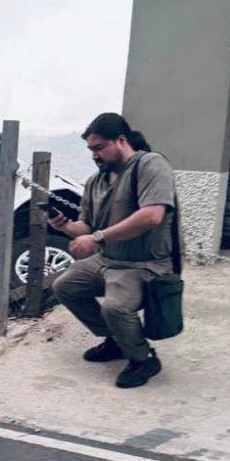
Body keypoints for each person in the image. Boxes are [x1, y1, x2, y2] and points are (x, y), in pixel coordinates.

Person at [49, 113, 178, 388]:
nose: (94, 155)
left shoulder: (150, 164)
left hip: (145, 264)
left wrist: (97, 237)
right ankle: (117, 340)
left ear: (121, 140)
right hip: (108, 259)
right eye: (90, 150)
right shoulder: (96, 182)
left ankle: (143, 359)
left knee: (115, 307)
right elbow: (86, 226)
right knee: (65, 286)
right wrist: (66, 227)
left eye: (99, 148)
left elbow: (152, 215)